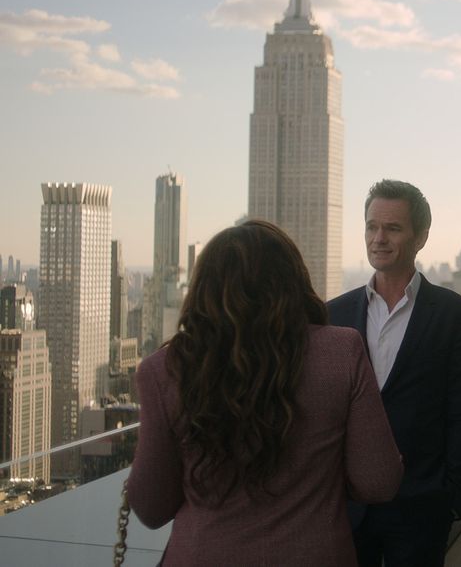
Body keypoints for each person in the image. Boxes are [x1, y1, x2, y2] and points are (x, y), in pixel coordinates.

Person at [127, 220, 403, 565]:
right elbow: (379, 481)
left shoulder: (165, 369)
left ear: (204, 289)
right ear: (294, 281)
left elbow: (151, 508)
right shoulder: (341, 351)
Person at [328, 180, 461, 566]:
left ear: (421, 237)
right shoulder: (334, 314)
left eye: (393, 228)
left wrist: (452, 493)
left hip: (421, 503)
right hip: (347, 503)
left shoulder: (455, 315)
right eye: (371, 226)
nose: (378, 238)